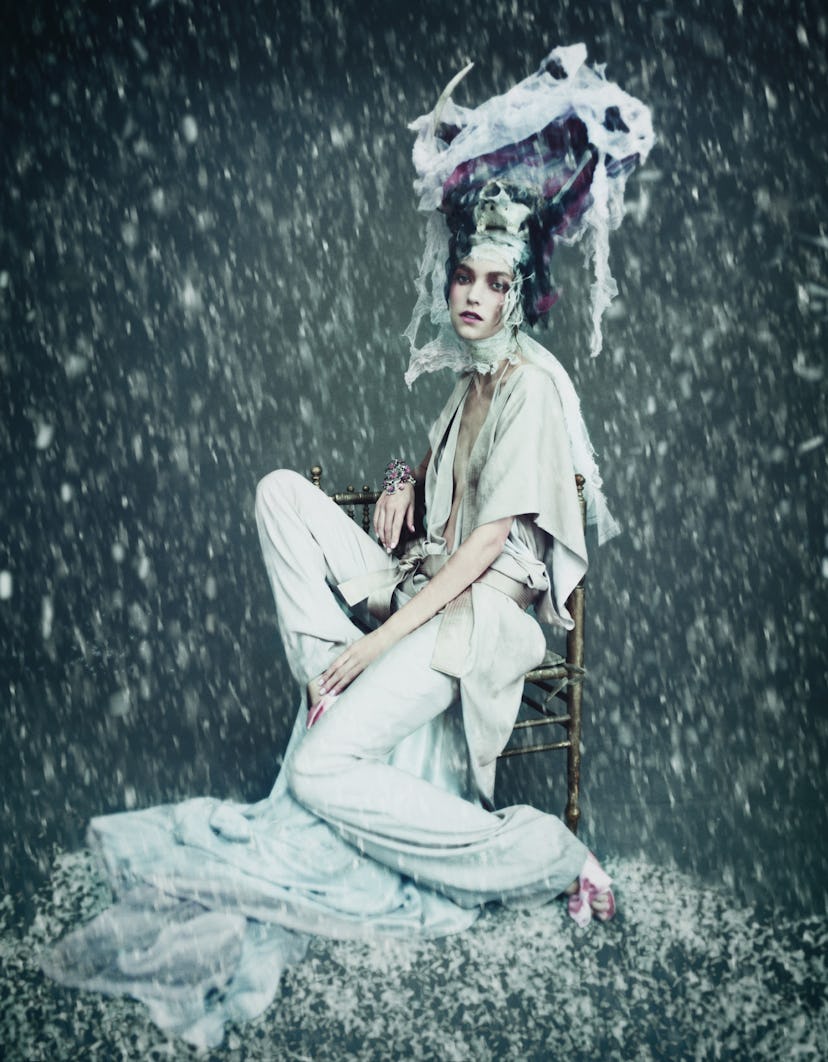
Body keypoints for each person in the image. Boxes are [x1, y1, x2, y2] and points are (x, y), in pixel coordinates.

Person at [41, 45, 654, 1049]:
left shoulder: (535, 385)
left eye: (494, 282)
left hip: (471, 620)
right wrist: (410, 480)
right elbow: (441, 508)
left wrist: (373, 647)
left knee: (323, 775)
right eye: (463, 274)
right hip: (419, 584)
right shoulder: (474, 381)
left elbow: (480, 555)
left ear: (520, 293)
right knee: (280, 493)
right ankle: (334, 668)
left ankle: (545, 853)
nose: (471, 294)